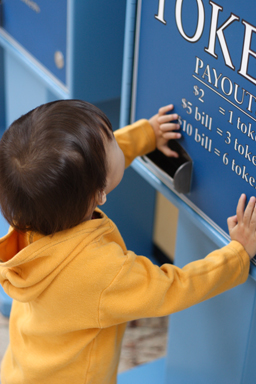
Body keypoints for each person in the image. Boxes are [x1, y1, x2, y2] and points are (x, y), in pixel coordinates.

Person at [0, 99, 255, 384]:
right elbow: (173, 287)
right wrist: (238, 253)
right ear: (99, 194)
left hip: (21, 372)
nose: (116, 140)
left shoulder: (31, 208)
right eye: (111, 140)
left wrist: (147, 135)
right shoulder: (101, 271)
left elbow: (87, 167)